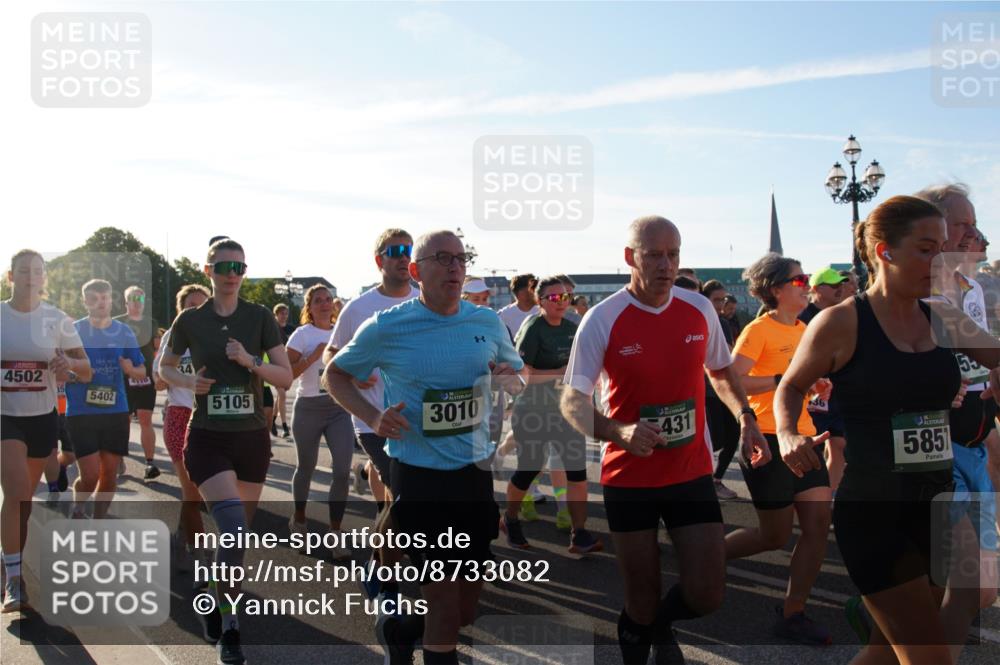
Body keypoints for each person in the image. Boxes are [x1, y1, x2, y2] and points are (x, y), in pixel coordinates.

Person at [774, 195, 1000, 665]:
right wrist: (789, 434)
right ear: (885, 252)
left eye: (942, 249)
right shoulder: (841, 322)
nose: (940, 262)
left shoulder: (942, 315)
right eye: (926, 250)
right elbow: (791, 387)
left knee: (885, 652)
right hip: (876, 512)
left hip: (936, 507)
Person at [560, 216, 768, 665]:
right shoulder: (602, 318)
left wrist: (745, 417)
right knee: (641, 597)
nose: (666, 265)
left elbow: (720, 371)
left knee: (707, 593)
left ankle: (660, 625)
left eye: (673, 254)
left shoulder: (699, 308)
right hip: (629, 476)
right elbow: (571, 401)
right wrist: (618, 431)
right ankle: (646, 633)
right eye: (654, 255)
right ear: (630, 257)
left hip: (689, 470)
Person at [325, 230, 525, 665]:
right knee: (445, 606)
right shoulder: (387, 325)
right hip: (418, 477)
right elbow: (334, 375)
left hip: (473, 474)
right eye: (442, 258)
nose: (455, 267)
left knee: (465, 612)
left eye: (461, 259)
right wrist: (374, 417)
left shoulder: (486, 322)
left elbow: (516, 377)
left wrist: (510, 380)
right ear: (416, 271)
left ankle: (399, 629)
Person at [158, 238, 292, 665]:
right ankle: (230, 629)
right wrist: (187, 382)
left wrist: (251, 361)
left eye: (239, 267)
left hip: (251, 439)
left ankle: (216, 595)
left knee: (237, 539)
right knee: (232, 528)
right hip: (208, 438)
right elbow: (163, 367)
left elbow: (285, 377)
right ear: (208, 271)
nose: (232, 274)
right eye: (223, 267)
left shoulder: (259, 316)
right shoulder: (190, 319)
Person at [725, 253, 834, 645]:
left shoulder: (806, 328)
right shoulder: (758, 330)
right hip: (766, 440)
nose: (806, 285)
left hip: (804, 436)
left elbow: (798, 383)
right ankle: (705, 557)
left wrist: (816, 386)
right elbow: (732, 380)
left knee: (818, 527)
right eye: (799, 280)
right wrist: (781, 379)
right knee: (774, 536)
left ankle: (793, 612)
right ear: (776, 290)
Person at [915, 184, 999, 637]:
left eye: (974, 224)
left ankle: (887, 624)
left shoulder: (970, 288)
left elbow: (982, 358)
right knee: (977, 587)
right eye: (963, 224)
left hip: (975, 441)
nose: (974, 234)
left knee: (960, 586)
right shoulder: (915, 293)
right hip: (938, 449)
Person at [323, 228, 419, 605]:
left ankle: (379, 564)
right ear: (379, 260)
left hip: (418, 421)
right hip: (372, 420)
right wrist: (354, 374)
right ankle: (387, 581)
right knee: (404, 498)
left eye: (408, 250)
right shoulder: (359, 308)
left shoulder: (424, 301)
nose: (403, 256)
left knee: (406, 500)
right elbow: (331, 358)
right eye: (395, 251)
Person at [2, 249, 91, 612]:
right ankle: (13, 581)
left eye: (37, 271)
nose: (31, 277)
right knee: (15, 491)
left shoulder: (57, 319)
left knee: (23, 503)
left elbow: (86, 370)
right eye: (24, 271)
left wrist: (67, 362)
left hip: (41, 417)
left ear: (44, 278)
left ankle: (11, 560)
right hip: (4, 416)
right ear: (11, 276)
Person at [501, 276, 602, 553]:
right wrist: (559, 373)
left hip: (566, 413)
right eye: (554, 297)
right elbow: (523, 376)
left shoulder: (572, 328)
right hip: (533, 411)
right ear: (540, 300)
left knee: (577, 473)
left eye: (565, 296)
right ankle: (510, 518)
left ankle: (579, 533)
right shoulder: (533, 328)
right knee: (529, 469)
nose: (562, 302)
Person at [65, 279, 147, 519]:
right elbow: (60, 368)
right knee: (90, 476)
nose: (100, 303)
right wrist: (74, 373)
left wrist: (130, 369)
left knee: (109, 474)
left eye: (104, 298)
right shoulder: (73, 331)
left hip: (115, 411)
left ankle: (98, 521)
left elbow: (142, 371)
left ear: (111, 300)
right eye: (94, 299)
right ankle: (79, 505)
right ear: (85, 301)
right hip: (81, 412)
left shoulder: (124, 331)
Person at [286, 285, 355, 560]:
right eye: (318, 301)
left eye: (328, 299)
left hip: (338, 408)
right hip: (308, 408)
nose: (325, 304)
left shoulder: (342, 333)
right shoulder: (302, 335)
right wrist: (312, 357)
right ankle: (300, 521)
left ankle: (335, 533)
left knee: (342, 471)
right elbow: (286, 374)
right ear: (310, 307)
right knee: (306, 467)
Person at [153, 283, 211, 573]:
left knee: (202, 492)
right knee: (191, 488)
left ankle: (181, 535)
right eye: (191, 306)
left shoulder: (218, 334)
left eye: (203, 305)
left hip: (212, 417)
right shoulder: (172, 338)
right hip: (179, 415)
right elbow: (158, 380)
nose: (197, 311)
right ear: (181, 311)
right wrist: (177, 378)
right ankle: (199, 554)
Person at [799, 268, 850, 492]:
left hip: (836, 392)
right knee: (812, 449)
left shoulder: (841, 315)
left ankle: (829, 499)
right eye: (833, 285)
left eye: (841, 284)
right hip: (812, 393)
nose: (840, 289)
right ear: (817, 289)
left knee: (839, 444)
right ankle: (806, 498)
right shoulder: (802, 317)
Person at [115, 285, 162, 480]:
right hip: (123, 378)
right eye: (133, 299)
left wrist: (157, 372)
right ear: (126, 302)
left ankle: (150, 463)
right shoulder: (117, 323)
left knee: (145, 418)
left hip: (146, 377)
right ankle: (119, 458)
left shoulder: (151, 323)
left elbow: (157, 348)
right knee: (123, 420)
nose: (137, 303)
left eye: (140, 299)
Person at [700, 280, 740, 501]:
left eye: (723, 300)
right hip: (704, 391)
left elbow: (728, 357)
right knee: (713, 438)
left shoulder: (723, 323)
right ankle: (703, 479)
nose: (721, 304)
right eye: (716, 300)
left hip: (724, 388)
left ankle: (715, 479)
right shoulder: (696, 319)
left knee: (732, 436)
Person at [272, 303, 294, 439]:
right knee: (282, 395)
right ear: (276, 314)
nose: (284, 316)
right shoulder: (272, 328)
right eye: (282, 313)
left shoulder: (292, 329)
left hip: (287, 366)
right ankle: (285, 426)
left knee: (280, 396)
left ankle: (272, 420)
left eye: (286, 313)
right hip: (274, 365)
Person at [497, 273, 539, 339]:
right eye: (532, 289)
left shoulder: (545, 312)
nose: (535, 293)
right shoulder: (503, 315)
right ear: (519, 292)